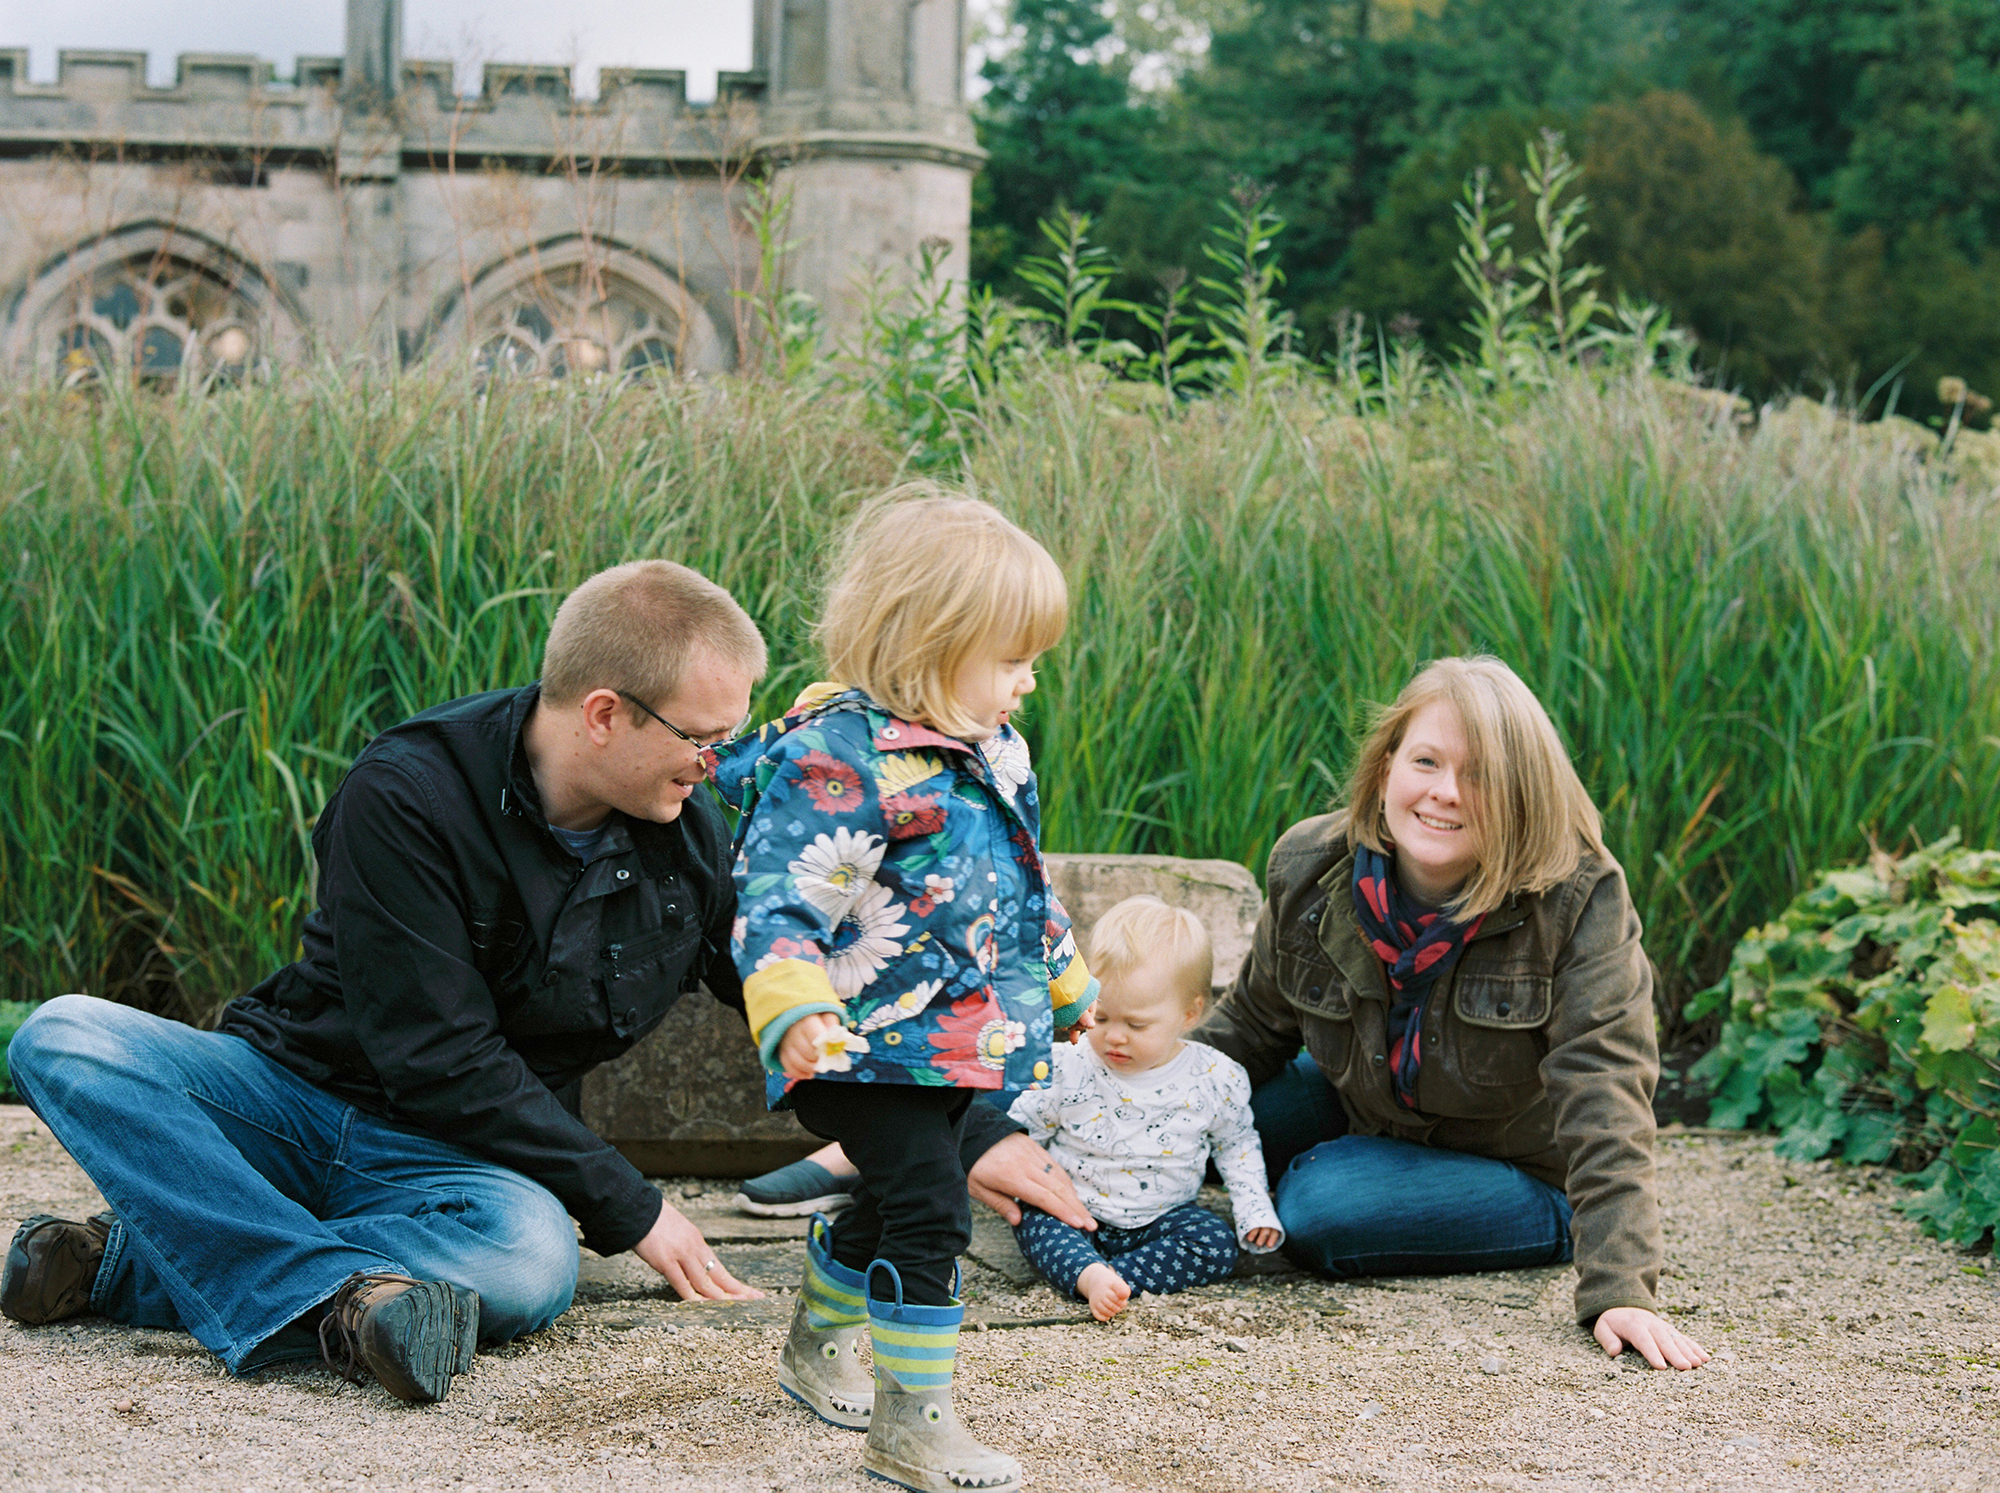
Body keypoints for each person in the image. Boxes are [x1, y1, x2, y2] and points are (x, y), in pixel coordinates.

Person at [2, 561, 774, 1404]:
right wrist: (636, 1207)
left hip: (460, 1168)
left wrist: (918, 1128)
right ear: (603, 713)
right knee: (62, 1035)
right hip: (285, 1101)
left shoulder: (688, 835)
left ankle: (131, 1266)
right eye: (703, 737)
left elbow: (776, 988)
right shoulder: (408, 791)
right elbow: (440, 1054)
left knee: (531, 1261)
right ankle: (348, 1290)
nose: (716, 763)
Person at [711, 491, 1096, 1493]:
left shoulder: (990, 747)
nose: (1028, 678)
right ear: (929, 643)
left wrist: (1062, 977)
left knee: (888, 1196)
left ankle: (813, 1347)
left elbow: (1017, 881)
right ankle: (912, 1424)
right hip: (852, 1041)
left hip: (956, 1038)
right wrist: (792, 1006)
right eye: (1010, 657)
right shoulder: (836, 765)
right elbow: (777, 896)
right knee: (931, 1202)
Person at [1198, 655, 1710, 1372]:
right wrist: (1114, 1107)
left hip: (1513, 1169)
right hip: (1368, 1106)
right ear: (1384, 770)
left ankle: (1490, 1216)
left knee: (1320, 1201)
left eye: (1482, 775)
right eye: (1427, 761)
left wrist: (1620, 1288)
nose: (1446, 793)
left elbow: (1607, 1091)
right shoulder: (1310, 864)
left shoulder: (1578, 899)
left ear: (1522, 794)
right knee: (1221, 1111)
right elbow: (1249, 1027)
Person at [1006, 896, 1281, 1321]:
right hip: (1075, 1210)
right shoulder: (1071, 1064)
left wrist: (1254, 1210)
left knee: (1214, 1242)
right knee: (1032, 1216)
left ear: (1190, 1013)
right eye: (1103, 1015)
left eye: (1136, 1025)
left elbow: (1236, 1144)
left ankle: (1109, 1278)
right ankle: (1087, 1272)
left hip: (1162, 1219)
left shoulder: (1213, 1077)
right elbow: (1024, 1130)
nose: (1115, 1036)